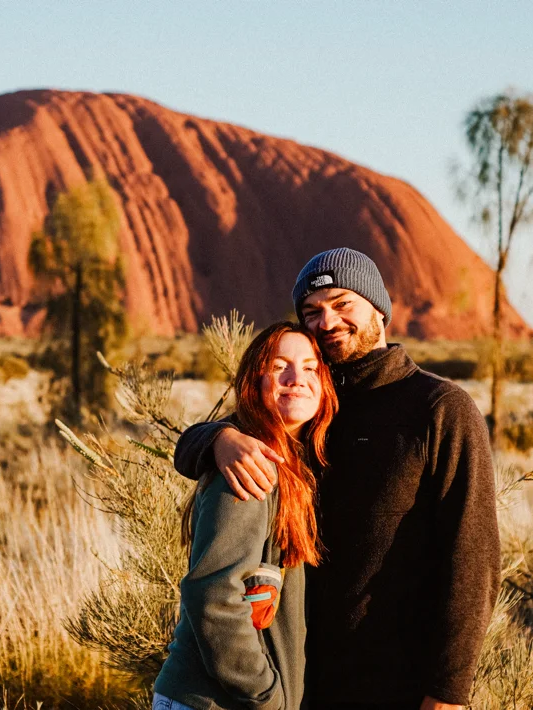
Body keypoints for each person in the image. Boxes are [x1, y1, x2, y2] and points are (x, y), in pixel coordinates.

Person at [174, 248, 501, 710]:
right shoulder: (308, 404)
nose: (326, 322)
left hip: (396, 685)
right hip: (299, 681)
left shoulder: (438, 408)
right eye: (312, 312)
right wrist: (219, 438)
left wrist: (448, 692)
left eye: (342, 304)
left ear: (379, 309)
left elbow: (474, 557)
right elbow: (190, 446)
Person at [154, 322, 339, 710]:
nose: (296, 378)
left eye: (310, 368)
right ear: (255, 382)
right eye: (279, 367)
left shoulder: (296, 462)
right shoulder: (253, 467)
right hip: (216, 702)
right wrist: (266, 697)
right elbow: (215, 596)